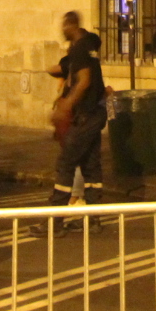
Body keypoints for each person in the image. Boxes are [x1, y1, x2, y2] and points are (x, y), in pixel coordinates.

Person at [49, 11, 106, 213]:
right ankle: (94, 217)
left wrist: (65, 107)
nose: (62, 30)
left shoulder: (81, 48)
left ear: (70, 26)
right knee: (91, 167)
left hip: (86, 115)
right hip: (96, 113)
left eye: (64, 25)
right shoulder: (89, 45)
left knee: (65, 164)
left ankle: (55, 219)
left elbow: (84, 81)